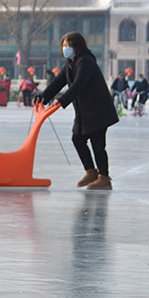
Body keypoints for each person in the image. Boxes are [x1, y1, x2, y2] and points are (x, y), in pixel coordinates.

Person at [34, 31, 118, 190]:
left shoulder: (85, 62)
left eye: (68, 45)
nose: (65, 48)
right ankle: (91, 172)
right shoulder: (71, 64)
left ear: (77, 46)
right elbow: (58, 82)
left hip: (98, 110)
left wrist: (62, 100)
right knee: (77, 139)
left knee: (98, 145)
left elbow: (79, 85)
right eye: (64, 45)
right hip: (85, 112)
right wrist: (43, 97)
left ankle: (104, 178)